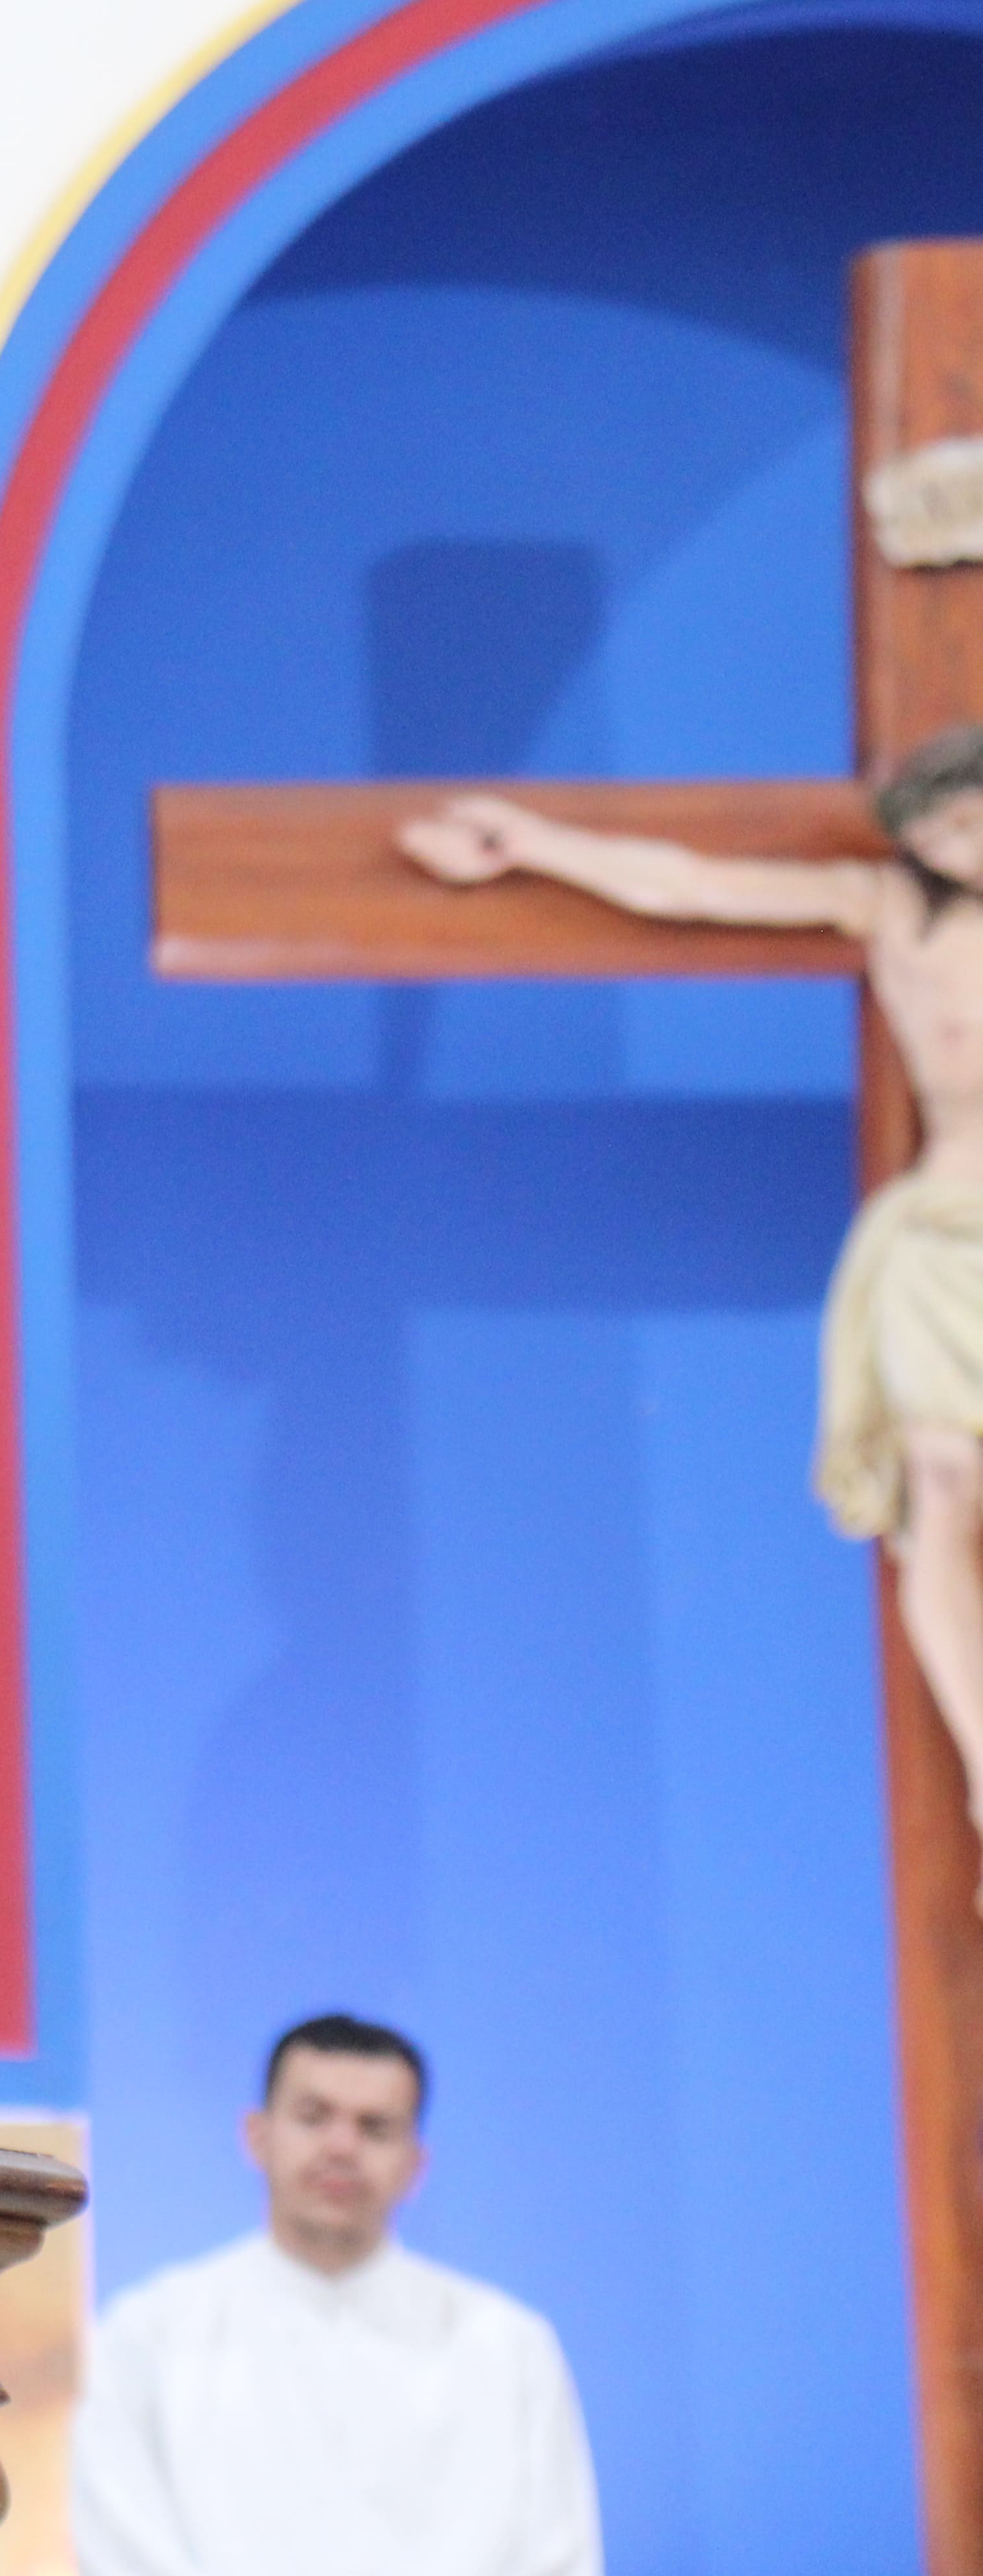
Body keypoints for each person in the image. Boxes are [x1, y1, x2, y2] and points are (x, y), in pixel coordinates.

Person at [403, 740, 983, 1889]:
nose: (956, 852)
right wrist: (536, 844)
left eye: (969, 826)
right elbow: (693, 885)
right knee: (941, 1489)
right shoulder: (890, 909)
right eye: (935, 837)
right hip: (945, 1234)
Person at [74, 2014, 600, 2576]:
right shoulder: (149, 2334)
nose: (342, 2147)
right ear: (257, 2136)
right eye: (313, 2117)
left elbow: (558, 2572)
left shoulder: (508, 2347)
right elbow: (125, 2564)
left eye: (375, 2128)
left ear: (415, 2164)